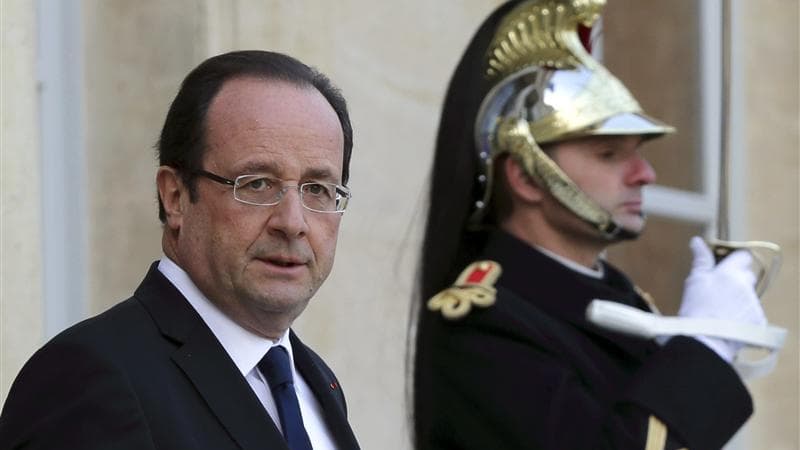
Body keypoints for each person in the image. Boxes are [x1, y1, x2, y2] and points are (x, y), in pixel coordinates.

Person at [412, 1, 769, 449]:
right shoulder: (485, 325)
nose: (645, 174)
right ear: (525, 176)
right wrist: (705, 347)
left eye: (637, 151)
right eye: (609, 154)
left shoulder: (619, 300)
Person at [1, 50, 360, 450]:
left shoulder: (315, 383)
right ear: (174, 197)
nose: (293, 222)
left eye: (318, 190)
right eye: (257, 183)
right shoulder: (88, 379)